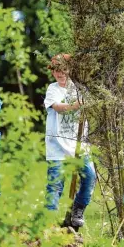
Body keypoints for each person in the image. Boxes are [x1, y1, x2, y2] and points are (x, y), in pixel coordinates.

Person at [44, 53, 96, 228]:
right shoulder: (53, 89)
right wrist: (75, 106)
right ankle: (48, 224)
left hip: (78, 144)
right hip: (57, 145)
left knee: (89, 176)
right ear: (52, 72)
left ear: (70, 70)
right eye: (56, 70)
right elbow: (58, 108)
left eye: (64, 69)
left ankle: (77, 210)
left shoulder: (79, 89)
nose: (60, 73)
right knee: (55, 185)